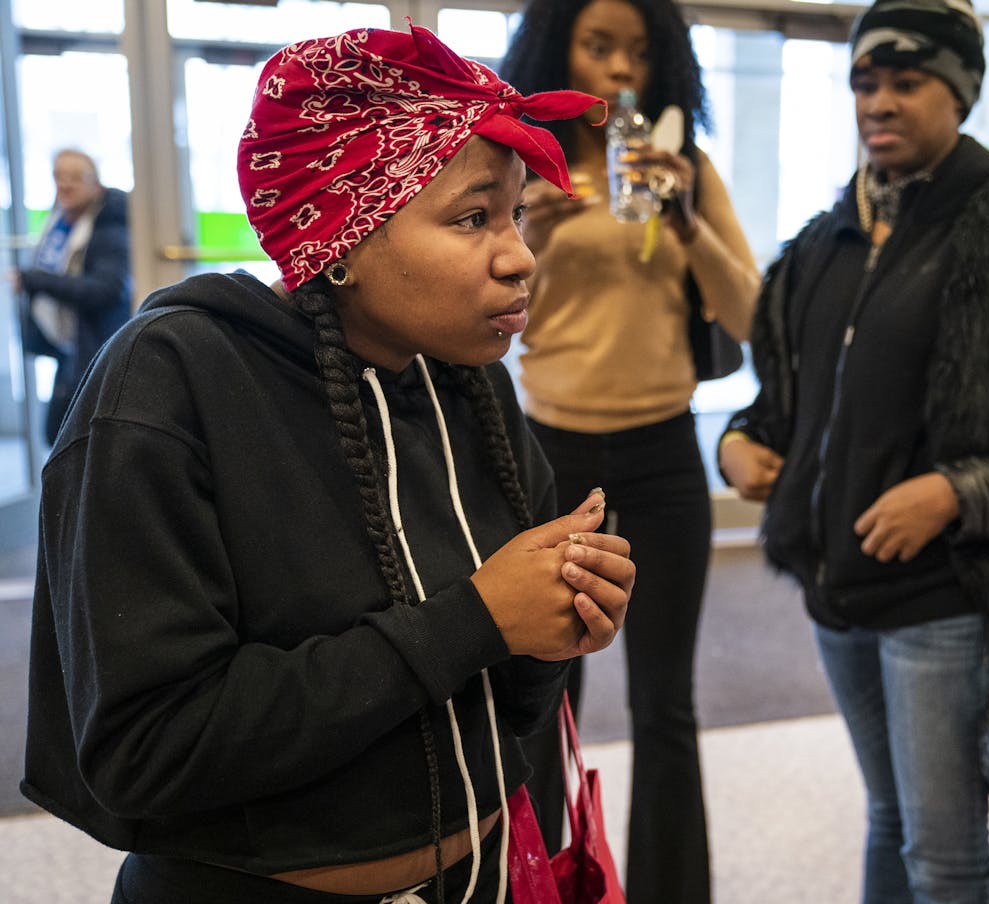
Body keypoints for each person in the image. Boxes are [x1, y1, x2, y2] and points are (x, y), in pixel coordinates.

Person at [21, 24, 635, 904]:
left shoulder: (467, 384)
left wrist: (556, 619)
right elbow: (146, 750)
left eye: (516, 214)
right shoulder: (171, 384)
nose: (519, 256)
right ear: (344, 234)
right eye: (472, 218)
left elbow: (507, 704)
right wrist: (472, 620)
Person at [718, 1, 989, 901]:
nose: (880, 102)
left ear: (961, 92)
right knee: (890, 819)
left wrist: (951, 493)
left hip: (946, 599)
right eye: (866, 82)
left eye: (907, 82)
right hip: (835, 585)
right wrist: (739, 447)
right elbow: (780, 406)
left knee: (941, 853)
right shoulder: (822, 246)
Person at [499, 3, 760, 901]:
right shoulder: (523, 169)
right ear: (555, 53)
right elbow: (471, 322)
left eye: (640, 53)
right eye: (597, 46)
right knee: (545, 703)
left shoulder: (684, 171)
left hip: (662, 457)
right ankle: (538, 887)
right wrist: (528, 228)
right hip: (551, 460)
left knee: (667, 707)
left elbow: (752, 317)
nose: (620, 70)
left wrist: (686, 216)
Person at [12, 148, 131, 444]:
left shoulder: (110, 226)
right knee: (58, 437)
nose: (64, 185)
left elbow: (105, 289)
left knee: (68, 438)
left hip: (94, 346)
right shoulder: (62, 221)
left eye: (75, 178)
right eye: (58, 176)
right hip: (68, 347)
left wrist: (34, 281)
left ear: (96, 183)